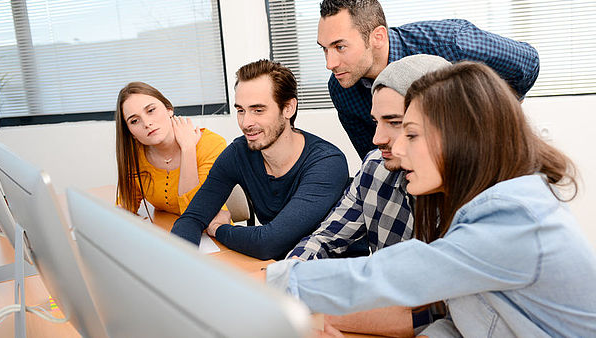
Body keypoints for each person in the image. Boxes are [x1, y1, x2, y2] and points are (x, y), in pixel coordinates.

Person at [266, 62, 596, 336]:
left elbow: (391, 275)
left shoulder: (513, 216)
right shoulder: (484, 207)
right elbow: (465, 320)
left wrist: (268, 288)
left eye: (410, 133)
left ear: (460, 137)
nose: (395, 147)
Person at [287, 54, 451, 336]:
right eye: (376, 121)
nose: (377, 138)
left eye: (395, 123)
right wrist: (286, 282)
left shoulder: (473, 199)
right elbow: (325, 239)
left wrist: (335, 314)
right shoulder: (376, 167)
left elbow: (440, 311)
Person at [171, 60, 349, 261]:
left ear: (288, 108)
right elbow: (192, 218)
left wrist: (218, 228)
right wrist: (178, 265)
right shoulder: (239, 153)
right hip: (276, 269)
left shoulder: (326, 163)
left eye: (258, 110)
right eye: (241, 110)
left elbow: (269, 243)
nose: (246, 123)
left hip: (328, 276)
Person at [317, 0, 541, 159]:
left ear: (378, 37)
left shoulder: (450, 43)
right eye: (325, 49)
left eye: (340, 47)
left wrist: (498, 115)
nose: (330, 63)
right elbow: (375, 154)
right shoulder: (341, 87)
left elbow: (527, 63)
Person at [115, 82, 227, 217]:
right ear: (131, 132)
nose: (147, 123)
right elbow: (125, 208)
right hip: (168, 232)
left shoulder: (211, 144)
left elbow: (196, 214)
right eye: (134, 121)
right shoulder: (135, 155)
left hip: (209, 235)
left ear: (169, 109)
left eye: (151, 110)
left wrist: (188, 149)